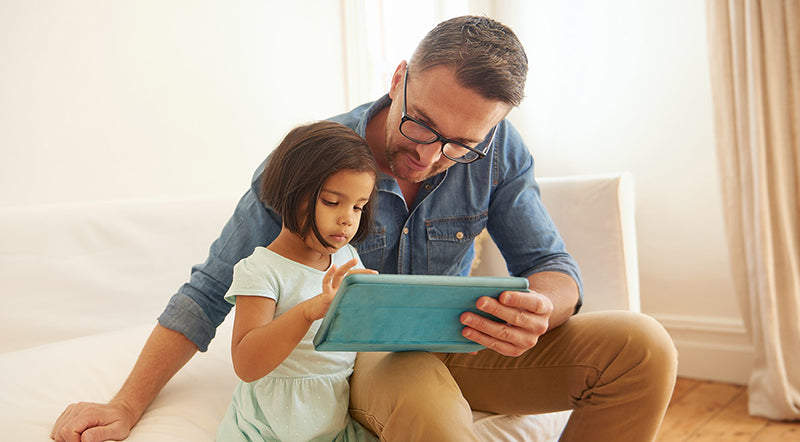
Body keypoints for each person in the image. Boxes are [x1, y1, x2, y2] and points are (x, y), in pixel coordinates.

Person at [52, 15, 677, 442]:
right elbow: (212, 286)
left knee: (644, 349)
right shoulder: (311, 162)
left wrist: (541, 307)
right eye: (422, 126)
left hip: (465, 346)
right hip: (364, 363)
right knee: (430, 416)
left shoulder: (500, 151)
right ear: (398, 78)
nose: (431, 156)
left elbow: (554, 266)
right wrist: (124, 405)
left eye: (461, 144)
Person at [215, 121, 379, 441]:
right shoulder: (262, 269)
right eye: (332, 202)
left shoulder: (348, 258)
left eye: (358, 207)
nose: (348, 218)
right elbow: (247, 364)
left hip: (334, 414)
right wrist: (308, 311)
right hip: (271, 423)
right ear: (292, 193)